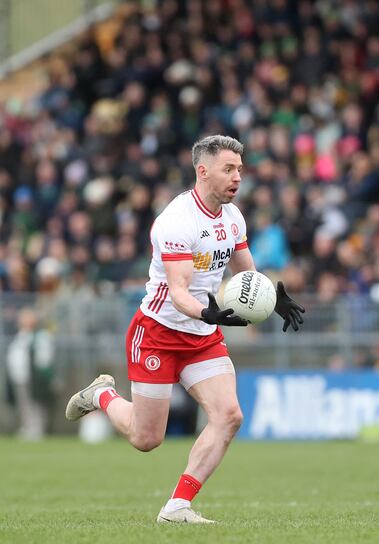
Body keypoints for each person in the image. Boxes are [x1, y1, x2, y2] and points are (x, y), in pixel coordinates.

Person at [65, 135, 305, 524]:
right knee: (147, 439)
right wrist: (207, 313)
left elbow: (247, 275)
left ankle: (177, 506)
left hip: (202, 334)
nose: (237, 177)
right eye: (229, 169)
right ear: (203, 171)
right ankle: (102, 395)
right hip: (158, 331)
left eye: (240, 170)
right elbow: (178, 292)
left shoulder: (233, 217)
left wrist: (273, 299)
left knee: (229, 415)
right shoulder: (175, 221)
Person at [6, 308, 56, 441]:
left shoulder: (39, 336)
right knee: (24, 404)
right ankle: (28, 427)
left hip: (34, 377)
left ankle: (36, 429)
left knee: (35, 404)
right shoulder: (21, 335)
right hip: (20, 376)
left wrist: (42, 375)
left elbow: (44, 358)